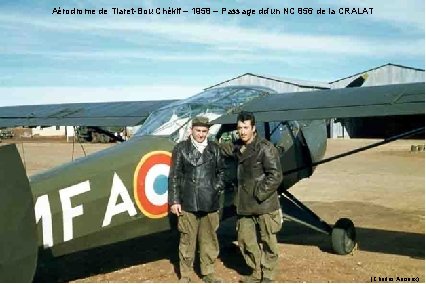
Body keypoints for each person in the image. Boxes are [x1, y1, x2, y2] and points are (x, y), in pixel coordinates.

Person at [221, 111, 283, 283]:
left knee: (268, 240)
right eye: (239, 128)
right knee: (245, 240)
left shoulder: (265, 147)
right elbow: (224, 149)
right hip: (244, 204)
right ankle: (256, 272)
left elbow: (275, 175)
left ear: (253, 128)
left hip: (264, 203)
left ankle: (268, 275)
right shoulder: (237, 146)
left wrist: (259, 193)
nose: (242, 131)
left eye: (246, 127)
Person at [168, 116, 225, 283]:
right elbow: (174, 176)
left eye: (204, 131)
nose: (201, 134)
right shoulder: (180, 149)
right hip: (188, 202)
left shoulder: (215, 149)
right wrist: (175, 201)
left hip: (209, 200)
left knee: (209, 239)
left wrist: (216, 188)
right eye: (198, 130)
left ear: (208, 132)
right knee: (187, 239)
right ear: (191, 130)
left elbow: (222, 172)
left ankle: (208, 272)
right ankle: (185, 275)